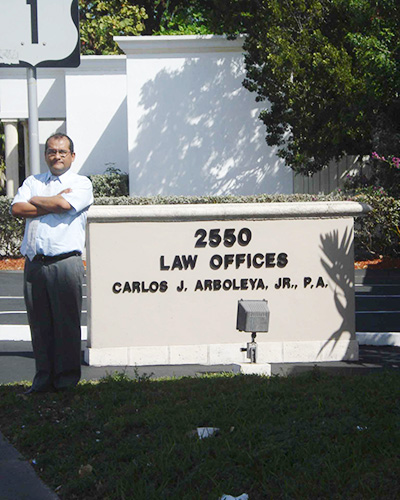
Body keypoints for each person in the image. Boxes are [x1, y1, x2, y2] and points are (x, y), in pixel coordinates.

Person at [11, 133, 93, 393]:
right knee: (40, 324)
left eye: (62, 152)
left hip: (64, 262)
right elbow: (17, 209)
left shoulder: (81, 183)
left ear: (72, 156)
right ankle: (43, 380)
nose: (56, 156)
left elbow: (63, 203)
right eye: (51, 151)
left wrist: (37, 200)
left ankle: (66, 383)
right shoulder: (32, 181)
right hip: (35, 264)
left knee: (66, 325)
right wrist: (50, 202)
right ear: (46, 154)